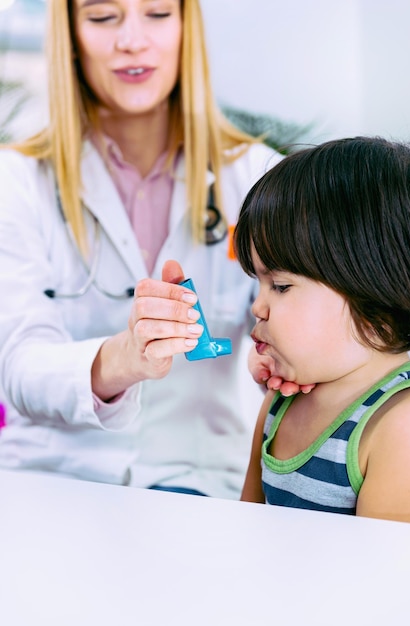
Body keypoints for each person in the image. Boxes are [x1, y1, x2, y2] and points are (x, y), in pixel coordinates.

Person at [0, 0, 310, 499]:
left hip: (200, 478)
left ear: (187, 26)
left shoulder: (259, 177)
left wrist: (284, 362)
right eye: (103, 17)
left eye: (158, 14)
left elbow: (313, 331)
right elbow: (18, 365)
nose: (132, 40)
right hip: (55, 478)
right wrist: (124, 357)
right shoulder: (15, 183)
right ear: (71, 36)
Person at [234, 136, 410, 523]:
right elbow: (245, 528)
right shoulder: (279, 403)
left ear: (372, 287)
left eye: (280, 286)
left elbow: (382, 578)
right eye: (259, 283)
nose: (258, 306)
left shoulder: (402, 426)